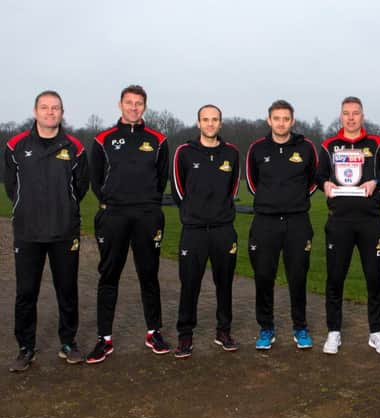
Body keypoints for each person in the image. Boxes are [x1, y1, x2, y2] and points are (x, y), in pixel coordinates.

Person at [4, 90, 89, 372]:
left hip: (64, 231)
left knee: (67, 291)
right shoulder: (15, 145)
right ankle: (26, 347)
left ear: (62, 113)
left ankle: (68, 343)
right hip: (28, 232)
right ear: (35, 111)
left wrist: (64, 209)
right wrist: (26, 209)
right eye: (45, 107)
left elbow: (81, 187)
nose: (50, 112)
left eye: (55, 108)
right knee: (26, 293)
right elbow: (11, 187)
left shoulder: (75, 146)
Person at [87, 85, 170, 364]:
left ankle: (153, 332)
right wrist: (113, 202)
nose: (134, 107)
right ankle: (104, 339)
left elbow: (161, 179)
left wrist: (146, 202)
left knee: (149, 274)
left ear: (145, 107)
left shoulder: (158, 140)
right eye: (129, 102)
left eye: (139, 103)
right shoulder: (103, 139)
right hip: (114, 216)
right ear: (120, 105)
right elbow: (95, 179)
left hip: (147, 216)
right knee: (109, 275)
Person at [316, 96, 380, 355]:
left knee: (374, 278)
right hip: (339, 222)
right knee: (335, 278)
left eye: (356, 113)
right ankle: (334, 331)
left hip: (371, 222)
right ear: (341, 116)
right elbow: (318, 174)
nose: (351, 117)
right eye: (346, 113)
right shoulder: (329, 145)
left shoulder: (377, 144)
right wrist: (324, 184)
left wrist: (376, 183)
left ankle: (376, 332)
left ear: (363, 116)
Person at [246, 100, 318, 350]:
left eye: (286, 119)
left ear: (292, 121)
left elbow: (313, 181)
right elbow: (252, 183)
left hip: (297, 221)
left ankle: (300, 327)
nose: (281, 123)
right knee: (264, 276)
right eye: (276, 118)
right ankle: (266, 328)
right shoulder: (257, 148)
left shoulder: (306, 147)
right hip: (265, 222)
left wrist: (294, 200)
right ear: (269, 120)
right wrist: (271, 202)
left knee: (297, 276)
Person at [171, 104, 240, 357]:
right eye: (205, 119)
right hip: (194, 230)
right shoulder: (184, 152)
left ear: (220, 123)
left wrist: (219, 211)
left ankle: (223, 331)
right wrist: (194, 212)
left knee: (224, 284)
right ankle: (185, 335)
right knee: (190, 284)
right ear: (198, 123)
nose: (210, 124)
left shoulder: (231, 153)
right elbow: (178, 190)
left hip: (223, 230)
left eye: (215, 119)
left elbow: (232, 189)